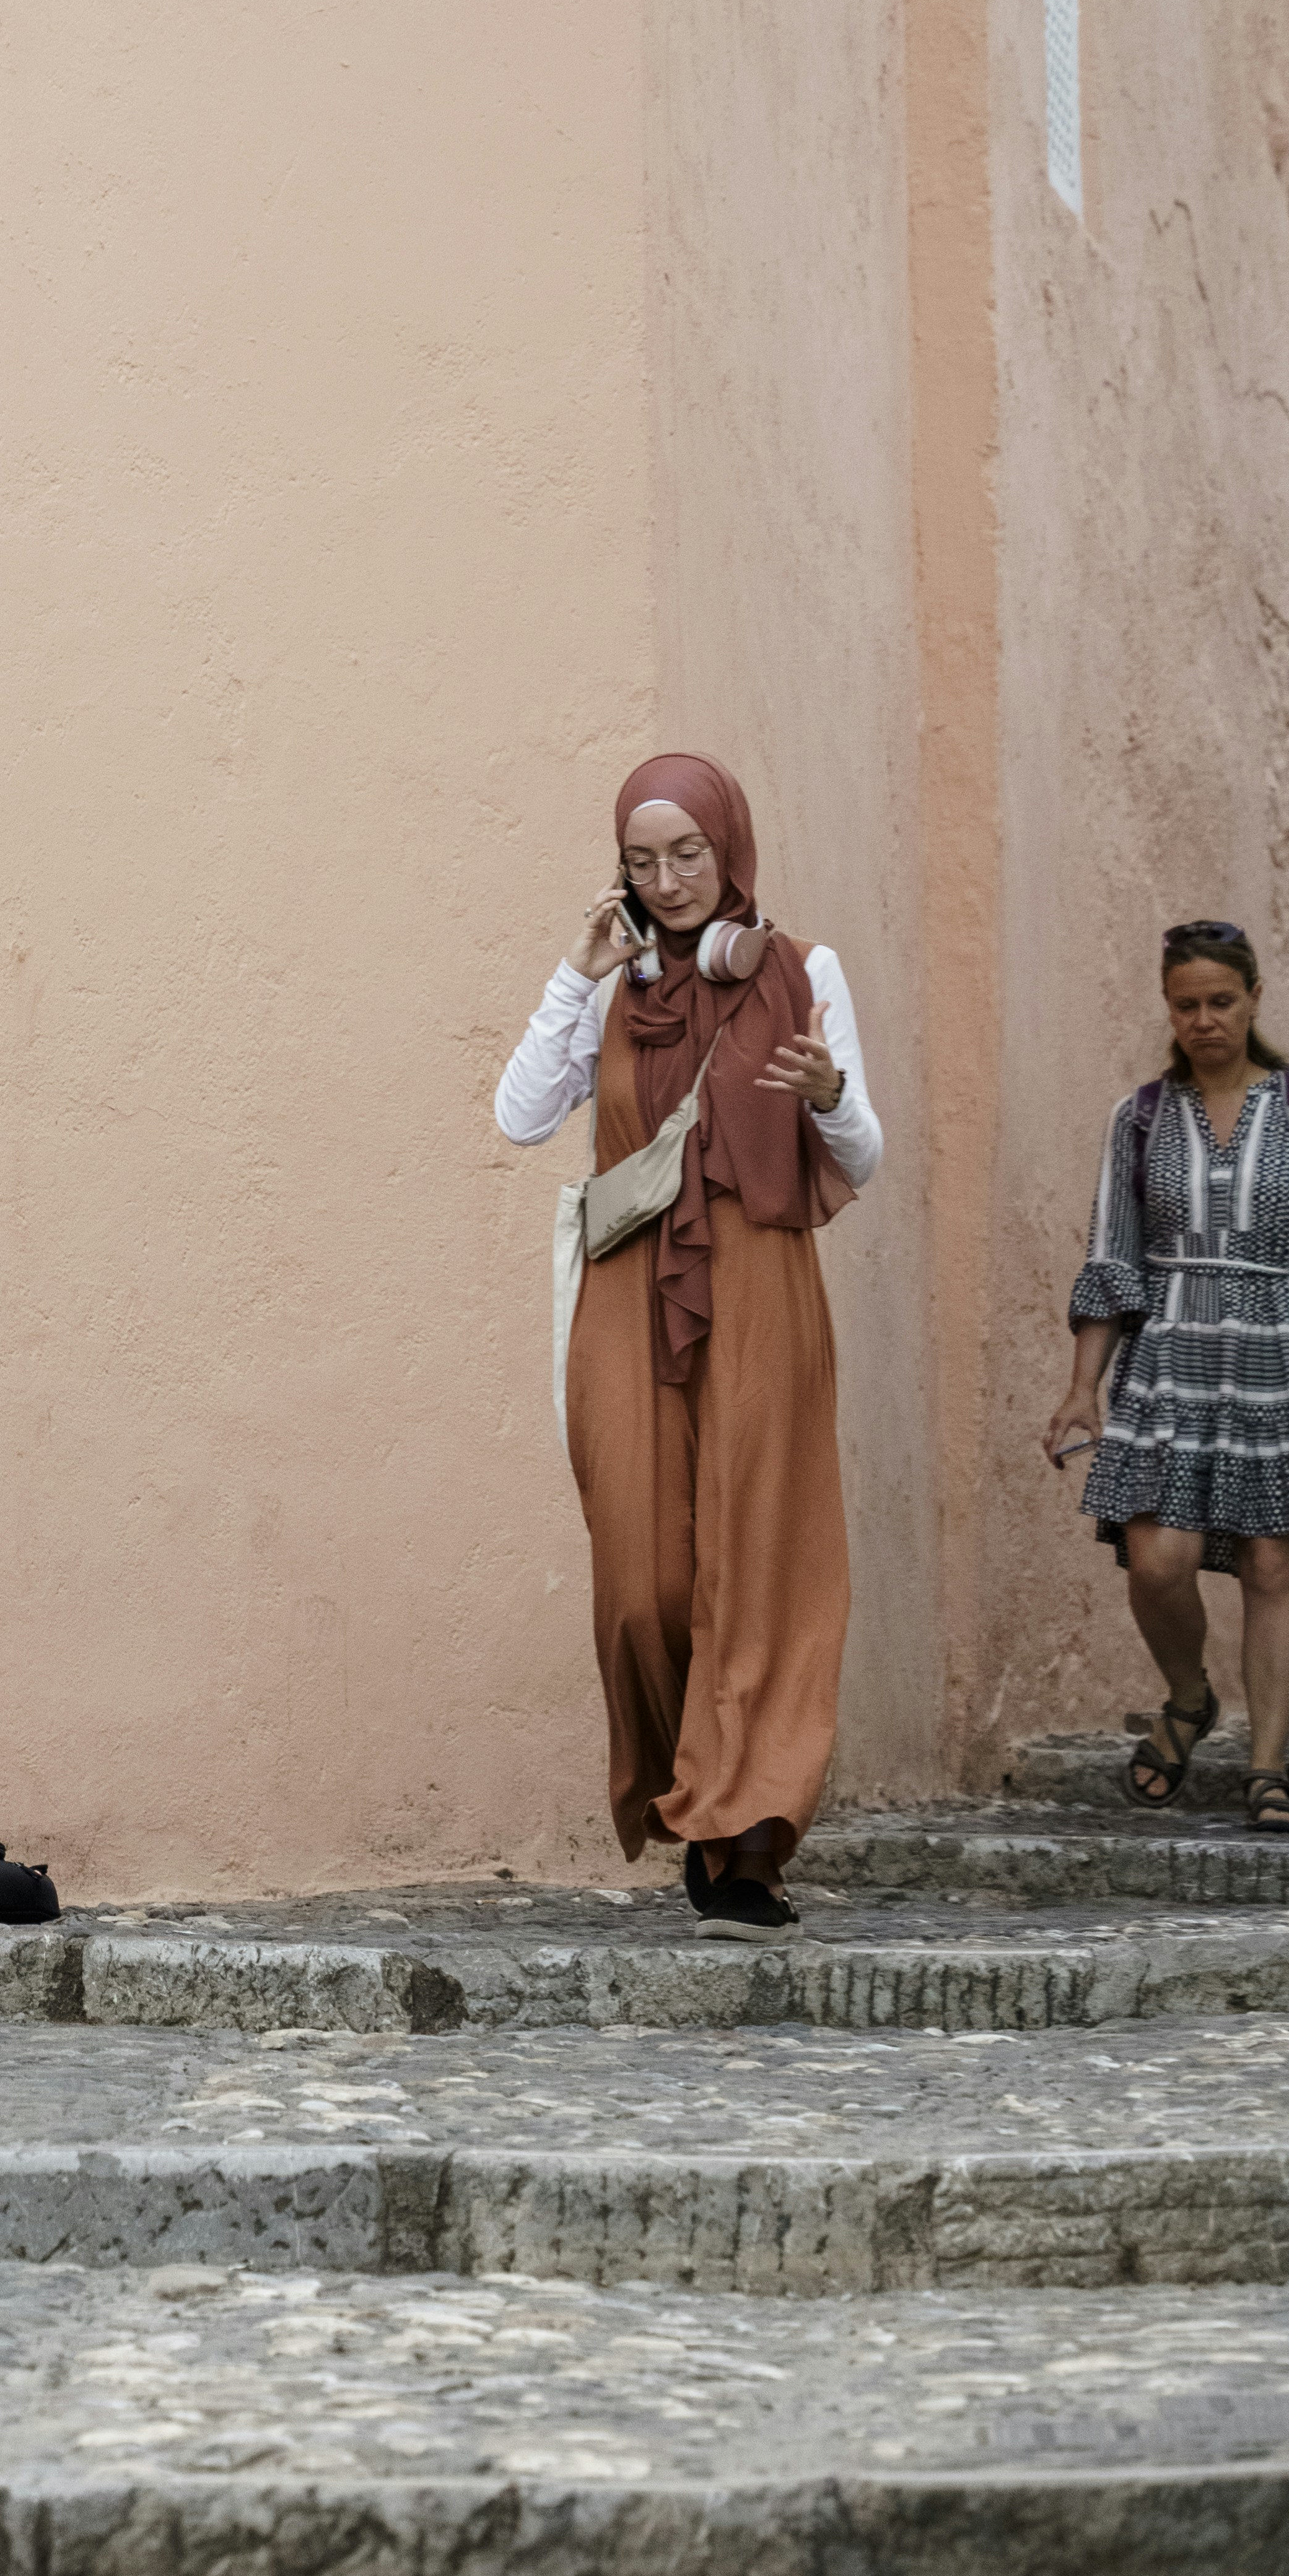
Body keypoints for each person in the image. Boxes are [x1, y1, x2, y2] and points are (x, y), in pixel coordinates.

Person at [494, 754, 881, 1934]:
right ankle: (690, 1781)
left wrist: (825, 1095)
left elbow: (859, 1157)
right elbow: (516, 1117)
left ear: (728, 850)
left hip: (761, 1283)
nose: (666, 880)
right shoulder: (611, 987)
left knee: (759, 1558)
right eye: (640, 859)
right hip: (628, 1292)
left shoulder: (803, 970)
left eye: (686, 855)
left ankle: (745, 1836)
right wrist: (576, 974)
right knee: (643, 1583)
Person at [1041, 917, 1289, 1829]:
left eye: (1221, 1001)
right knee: (1155, 1556)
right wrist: (1080, 1386)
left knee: (1271, 1561)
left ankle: (1267, 1771)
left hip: (1283, 1350)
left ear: (1253, 1000)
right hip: (1171, 1349)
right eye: (1187, 1005)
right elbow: (1113, 1259)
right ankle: (1188, 1697)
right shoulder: (1137, 1119)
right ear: (1168, 1010)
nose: (1205, 1019)